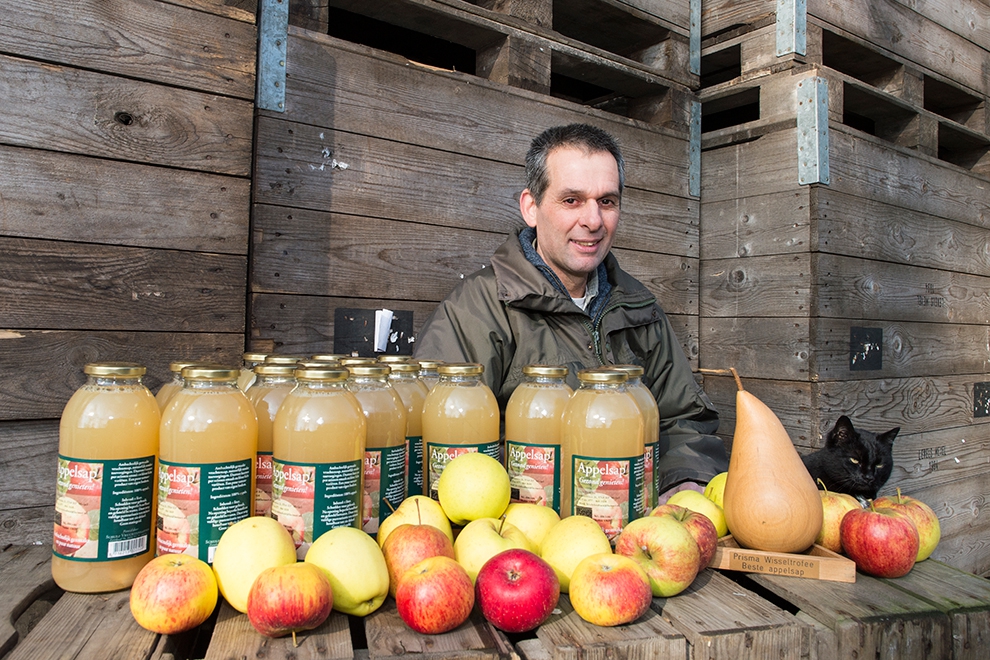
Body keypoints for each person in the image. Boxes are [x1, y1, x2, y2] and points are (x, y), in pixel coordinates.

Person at [413, 123, 727, 500]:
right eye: (572, 200)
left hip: (632, 529)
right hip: (519, 534)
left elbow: (685, 419)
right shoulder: (477, 309)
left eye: (607, 201)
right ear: (531, 207)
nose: (593, 221)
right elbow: (443, 436)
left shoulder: (640, 309)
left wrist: (683, 481)